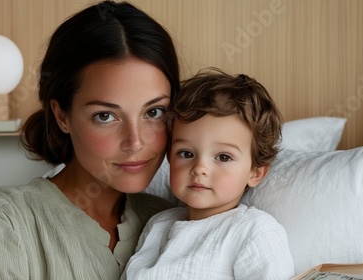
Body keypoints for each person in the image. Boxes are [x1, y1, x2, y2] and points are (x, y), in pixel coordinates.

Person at [0, 1, 180, 279]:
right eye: (105, 116)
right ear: (62, 116)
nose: (135, 142)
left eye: (154, 112)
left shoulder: (172, 224)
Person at [121, 68, 295, 280]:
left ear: (255, 172)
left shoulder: (254, 231)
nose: (199, 168)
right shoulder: (157, 225)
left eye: (223, 157)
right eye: (186, 153)